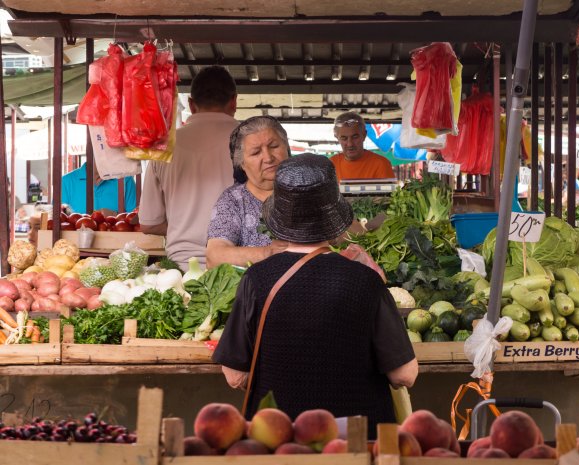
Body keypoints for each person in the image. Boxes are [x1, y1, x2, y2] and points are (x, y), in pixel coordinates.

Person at [213, 153, 418, 434]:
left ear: (279, 218)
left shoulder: (256, 279)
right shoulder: (367, 281)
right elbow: (405, 374)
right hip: (357, 443)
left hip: (278, 440)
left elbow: (234, 375)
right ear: (334, 219)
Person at [139, 66, 239, 270]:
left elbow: (149, 223)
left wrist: (184, 225)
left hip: (181, 269)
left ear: (192, 105)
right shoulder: (254, 142)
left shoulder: (165, 145)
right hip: (240, 266)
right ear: (234, 102)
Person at [206, 116, 291, 268]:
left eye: (273, 146)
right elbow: (215, 256)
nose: (268, 157)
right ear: (242, 164)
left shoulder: (310, 190)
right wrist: (270, 253)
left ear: (287, 148)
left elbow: (346, 232)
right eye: (256, 152)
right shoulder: (233, 201)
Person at [330, 112, 395, 181]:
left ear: (364, 135)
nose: (350, 144)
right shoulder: (331, 164)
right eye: (344, 138)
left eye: (355, 137)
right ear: (337, 138)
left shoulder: (381, 164)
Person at [61, 163, 136, 214]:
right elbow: (59, 219)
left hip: (117, 237)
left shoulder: (126, 180)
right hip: (75, 237)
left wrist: (115, 215)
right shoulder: (65, 182)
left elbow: (136, 219)